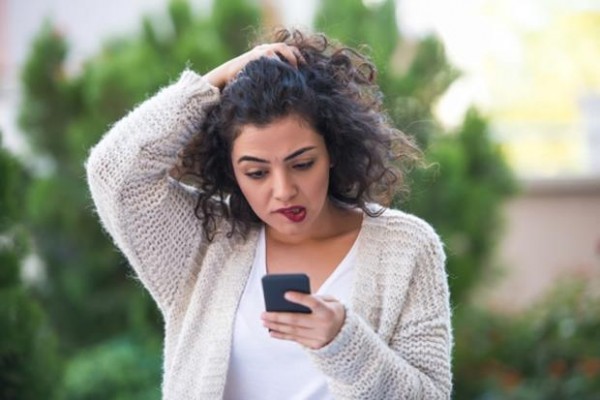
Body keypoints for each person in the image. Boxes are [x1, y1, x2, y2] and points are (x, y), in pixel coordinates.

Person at [86, 28, 452, 399]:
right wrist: (214, 82)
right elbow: (114, 173)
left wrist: (344, 344)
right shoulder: (207, 242)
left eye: (303, 163)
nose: (283, 190)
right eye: (257, 172)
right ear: (231, 170)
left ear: (333, 151)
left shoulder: (406, 248)